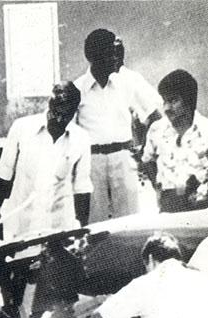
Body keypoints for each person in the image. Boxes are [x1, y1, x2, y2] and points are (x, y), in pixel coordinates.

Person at [74, 29, 160, 222]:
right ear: (94, 57)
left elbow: (155, 115)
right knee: (95, 220)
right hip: (91, 162)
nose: (117, 58)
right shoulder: (78, 89)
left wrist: (147, 149)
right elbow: (69, 134)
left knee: (129, 219)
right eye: (110, 53)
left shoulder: (129, 81)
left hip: (124, 158)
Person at [0, 81, 92, 237]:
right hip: (21, 229)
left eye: (65, 116)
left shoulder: (82, 139)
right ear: (49, 104)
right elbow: (2, 178)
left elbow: (82, 189)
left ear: (74, 112)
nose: (59, 120)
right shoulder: (21, 128)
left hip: (59, 231)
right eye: (56, 113)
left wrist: (81, 233)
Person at [140, 70, 208, 213]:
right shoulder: (156, 130)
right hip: (167, 207)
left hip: (200, 208)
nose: (166, 108)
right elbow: (147, 160)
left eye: (173, 101)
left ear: (188, 100)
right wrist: (158, 187)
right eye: (164, 101)